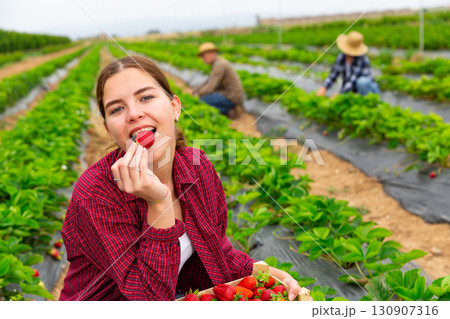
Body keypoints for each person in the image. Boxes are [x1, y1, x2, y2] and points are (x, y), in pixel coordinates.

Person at [59, 55, 303, 301]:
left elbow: (215, 249)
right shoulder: (96, 194)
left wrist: (265, 273)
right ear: (108, 129)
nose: (133, 114)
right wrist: (160, 204)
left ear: (175, 107)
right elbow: (147, 300)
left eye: (146, 97)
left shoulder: (197, 168)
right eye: (117, 109)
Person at [316, 31, 380, 97]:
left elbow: (353, 81)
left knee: (362, 82)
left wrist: (340, 94)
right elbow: (333, 74)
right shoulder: (341, 57)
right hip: (351, 91)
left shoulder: (362, 59)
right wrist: (324, 87)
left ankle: (369, 103)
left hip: (369, 92)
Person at [193, 42, 244, 116]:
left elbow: (210, 87)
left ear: (211, 53)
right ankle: (228, 107)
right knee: (204, 97)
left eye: (203, 56)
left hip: (232, 97)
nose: (202, 59)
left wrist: (197, 95)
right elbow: (207, 81)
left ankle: (228, 110)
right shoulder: (217, 63)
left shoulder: (219, 65)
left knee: (201, 101)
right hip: (226, 93)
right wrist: (196, 90)